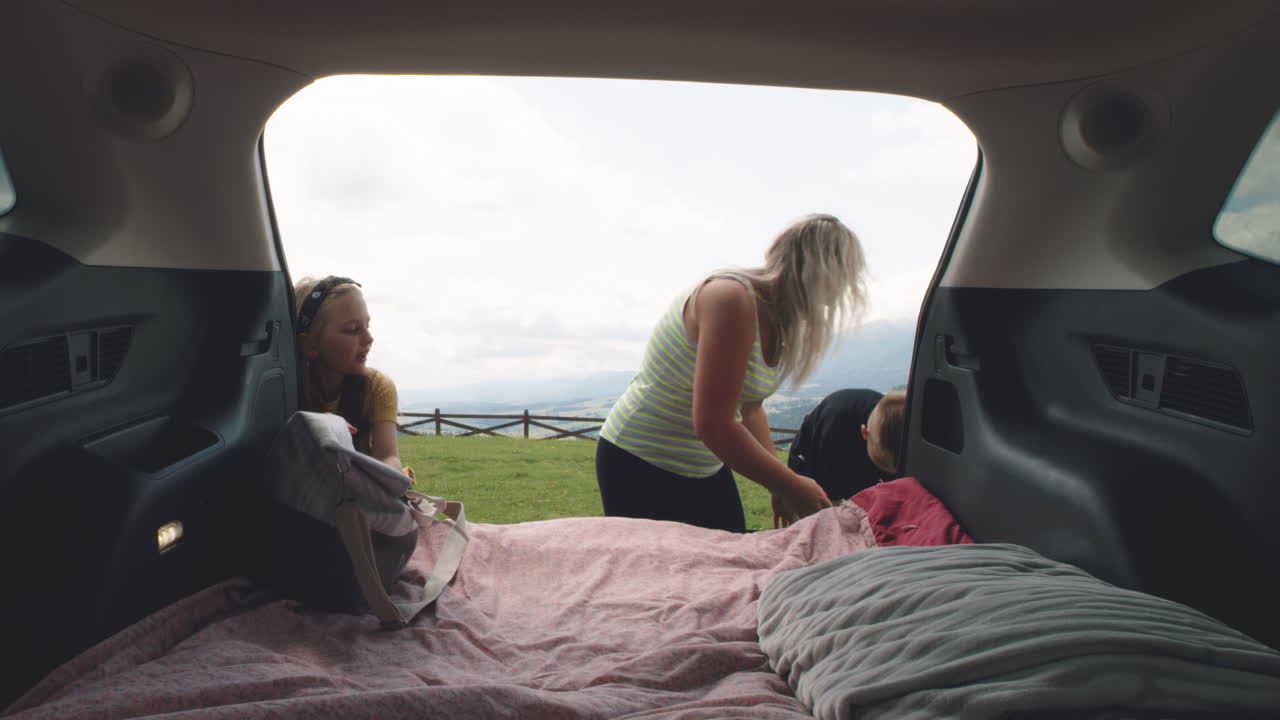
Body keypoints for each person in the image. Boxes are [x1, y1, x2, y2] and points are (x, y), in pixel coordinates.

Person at [596, 214, 868, 531]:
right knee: (662, 573)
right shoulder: (730, 299)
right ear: (822, 272)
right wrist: (791, 484)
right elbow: (713, 424)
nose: (845, 290)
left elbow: (750, 408)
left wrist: (778, 483)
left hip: (704, 466)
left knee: (723, 562)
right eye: (845, 278)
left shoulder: (779, 321)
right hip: (640, 461)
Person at [294, 275, 403, 471]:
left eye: (367, 326)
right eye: (352, 329)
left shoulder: (377, 386)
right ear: (310, 344)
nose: (369, 338)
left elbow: (388, 456)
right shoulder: (288, 390)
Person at [786, 388, 906, 503]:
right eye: (882, 464)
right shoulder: (833, 440)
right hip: (814, 457)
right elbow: (828, 499)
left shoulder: (895, 422)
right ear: (865, 433)